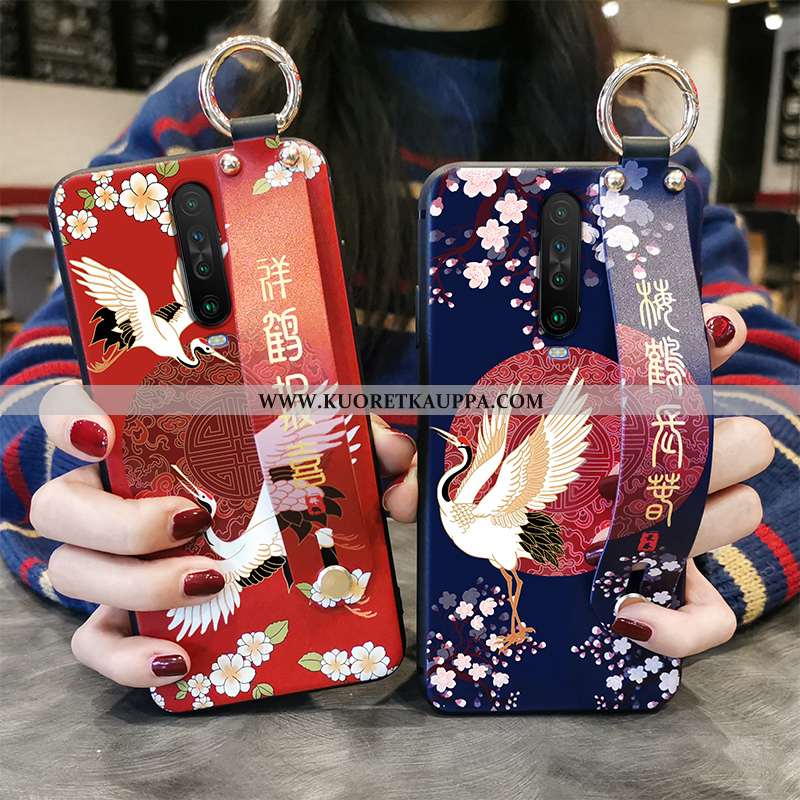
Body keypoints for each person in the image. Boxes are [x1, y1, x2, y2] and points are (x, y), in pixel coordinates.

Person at [0, 0, 797, 690]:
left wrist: (701, 540)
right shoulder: (211, 104)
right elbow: (41, 379)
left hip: (536, 654)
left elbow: (772, 385)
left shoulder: (633, 134)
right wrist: (94, 504)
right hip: (269, 636)